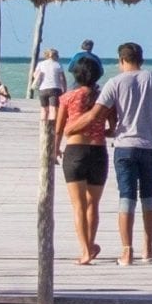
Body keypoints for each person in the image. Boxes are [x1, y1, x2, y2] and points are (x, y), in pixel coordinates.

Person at [64, 41, 152, 265]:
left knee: (126, 198)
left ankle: (127, 251)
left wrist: (71, 128)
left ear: (121, 60)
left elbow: (95, 115)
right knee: (149, 197)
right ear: (141, 59)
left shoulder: (115, 82)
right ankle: (148, 250)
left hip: (125, 147)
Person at [53, 54, 110, 264]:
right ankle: (91, 244)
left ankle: (85, 250)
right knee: (93, 204)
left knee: (77, 205)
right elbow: (112, 125)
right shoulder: (104, 98)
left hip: (75, 151)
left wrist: (55, 150)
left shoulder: (67, 98)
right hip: (98, 151)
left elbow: (58, 129)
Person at [29, 46, 66, 128]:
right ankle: (52, 128)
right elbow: (62, 78)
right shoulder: (58, 64)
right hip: (55, 89)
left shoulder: (40, 64)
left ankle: (43, 128)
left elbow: (35, 75)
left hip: (43, 89)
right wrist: (64, 89)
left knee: (44, 109)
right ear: (56, 56)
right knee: (53, 109)